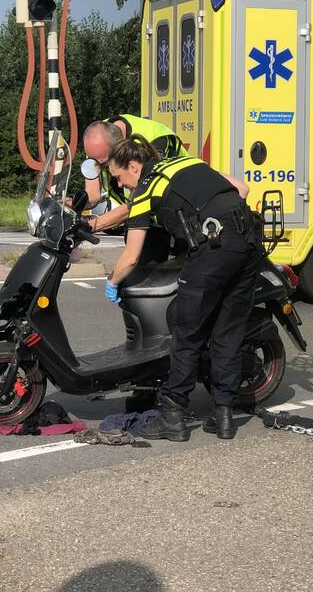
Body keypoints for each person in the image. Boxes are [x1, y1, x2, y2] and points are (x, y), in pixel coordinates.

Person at [103, 137, 260, 442]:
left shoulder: (147, 187)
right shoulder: (186, 162)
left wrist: (112, 282)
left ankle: (172, 416)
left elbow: (131, 256)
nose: (121, 185)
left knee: (187, 332)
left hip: (213, 249)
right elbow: (242, 189)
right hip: (248, 244)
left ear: (133, 167)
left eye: (119, 177)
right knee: (227, 332)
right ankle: (224, 416)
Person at [81, 115, 188, 234]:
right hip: (148, 214)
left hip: (182, 209)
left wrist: (88, 227)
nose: (100, 169)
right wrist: (68, 205)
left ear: (119, 148)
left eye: (105, 164)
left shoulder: (152, 142)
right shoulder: (97, 143)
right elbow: (92, 195)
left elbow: (138, 201)